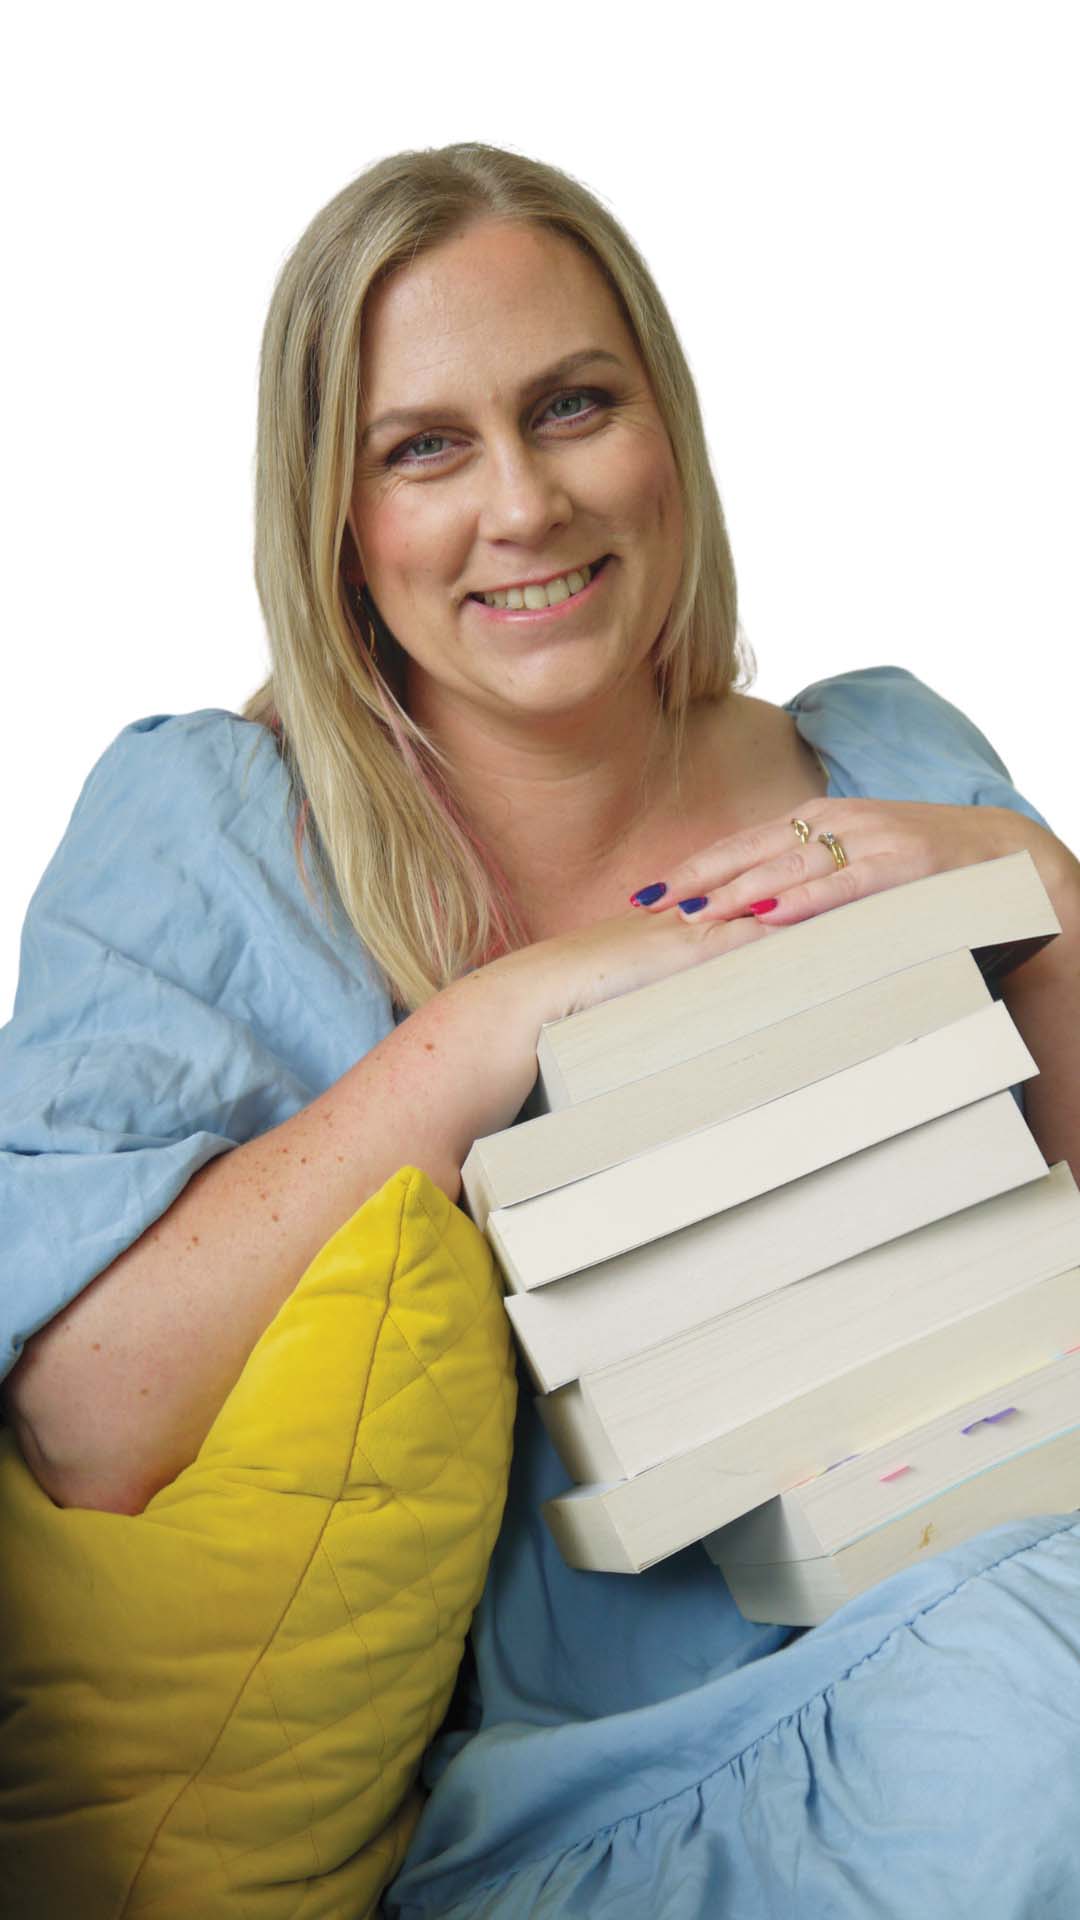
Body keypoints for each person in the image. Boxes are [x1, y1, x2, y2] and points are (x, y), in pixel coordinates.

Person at [3, 141, 1080, 1916]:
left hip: (1003, 1573)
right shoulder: (210, 836)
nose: (524, 502)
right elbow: (87, 1421)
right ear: (333, 520)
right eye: (423, 447)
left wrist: (1039, 888)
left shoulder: (887, 756)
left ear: (667, 431)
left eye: (572, 406)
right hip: (616, 1799)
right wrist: (497, 1021)